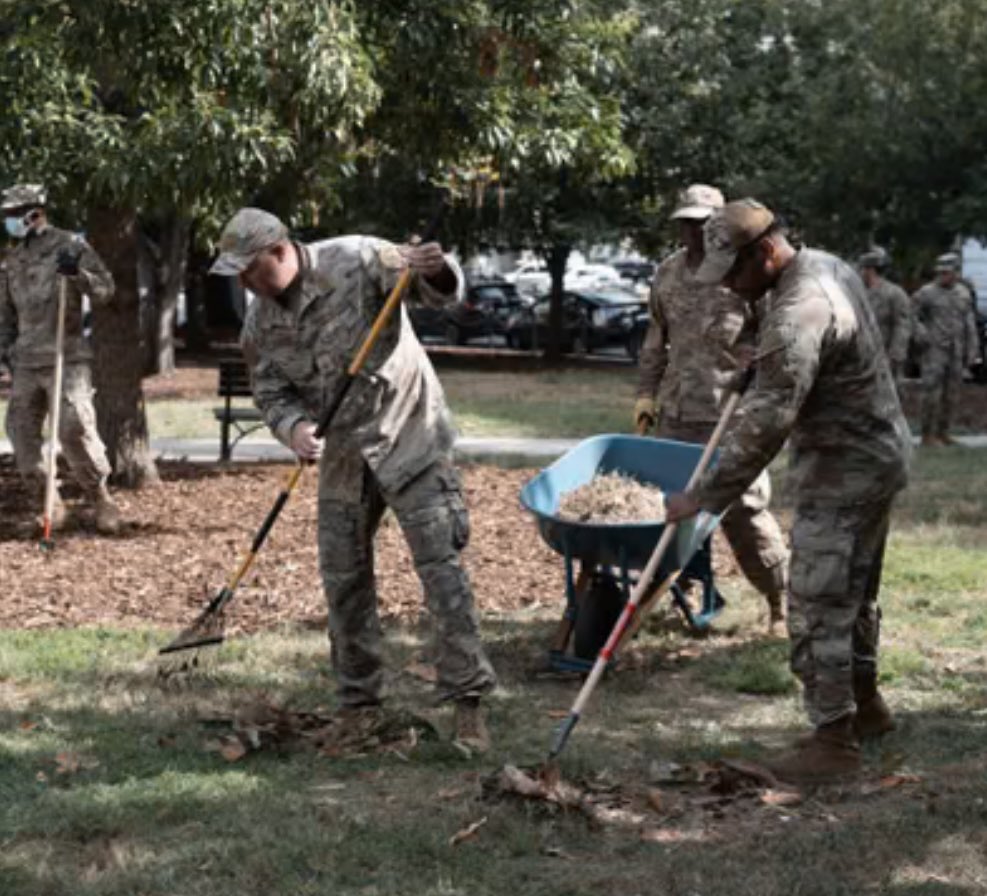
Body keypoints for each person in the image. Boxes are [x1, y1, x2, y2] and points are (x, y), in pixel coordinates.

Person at [212, 208, 496, 751]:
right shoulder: (260, 323)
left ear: (279, 250)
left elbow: (435, 289)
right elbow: (271, 392)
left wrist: (434, 270)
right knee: (343, 580)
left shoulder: (358, 257)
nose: (245, 283)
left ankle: (468, 704)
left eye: (249, 270)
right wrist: (293, 428)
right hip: (344, 455)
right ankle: (359, 703)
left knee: (441, 572)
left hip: (409, 436)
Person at [664, 199, 911, 784]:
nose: (730, 286)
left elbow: (769, 421)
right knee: (853, 592)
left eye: (735, 272)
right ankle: (867, 708)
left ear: (768, 251)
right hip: (875, 456)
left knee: (818, 599)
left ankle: (832, 744)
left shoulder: (798, 307)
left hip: (846, 468)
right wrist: (767, 355)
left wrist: (703, 494)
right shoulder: (822, 267)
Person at [633, 184, 788, 634]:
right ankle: (682, 595)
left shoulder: (748, 276)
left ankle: (780, 602)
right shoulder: (666, 274)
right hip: (677, 415)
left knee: (746, 517)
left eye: (703, 224)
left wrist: (756, 368)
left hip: (731, 418)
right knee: (672, 514)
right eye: (686, 223)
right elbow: (655, 341)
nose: (693, 233)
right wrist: (646, 393)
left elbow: (775, 340)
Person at [0, 183, 121, 534]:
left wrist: (77, 275)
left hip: (66, 358)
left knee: (74, 429)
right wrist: (5, 352)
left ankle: (101, 500)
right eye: (5, 215)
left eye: (13, 214)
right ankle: (50, 505)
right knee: (22, 436)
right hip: (25, 362)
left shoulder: (70, 245)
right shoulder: (13, 260)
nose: (9, 221)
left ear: (34, 212)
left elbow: (105, 290)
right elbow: (5, 314)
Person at [911, 252, 980, 446]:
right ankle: (927, 434)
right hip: (934, 351)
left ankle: (944, 432)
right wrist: (921, 333)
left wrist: (972, 349)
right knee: (931, 394)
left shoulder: (963, 293)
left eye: (947, 272)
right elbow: (910, 315)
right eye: (940, 272)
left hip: (956, 351)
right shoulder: (927, 293)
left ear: (956, 273)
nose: (943, 276)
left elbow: (969, 323)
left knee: (952, 395)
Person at [858, 249, 911, 395]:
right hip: (862, 357)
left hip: (886, 358)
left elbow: (902, 326)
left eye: (862, 269)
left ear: (870, 270)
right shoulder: (859, 292)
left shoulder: (894, 294)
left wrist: (895, 356)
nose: (860, 272)